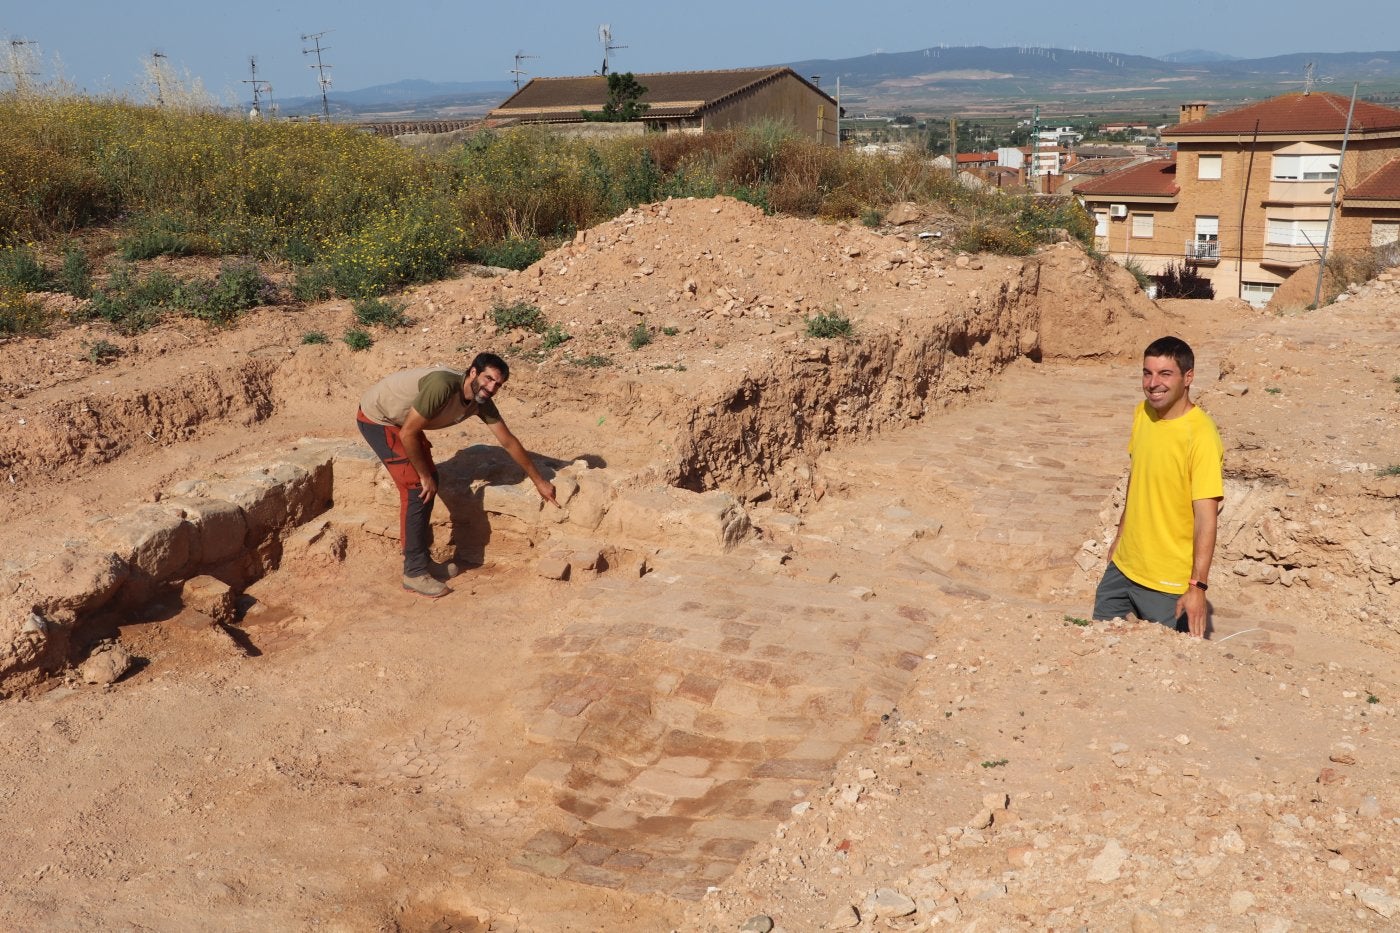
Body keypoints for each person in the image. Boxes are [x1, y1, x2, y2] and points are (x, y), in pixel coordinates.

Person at [357, 352, 559, 598]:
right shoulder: (442, 386)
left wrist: (539, 481)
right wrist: (424, 475)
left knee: (432, 481)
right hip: (379, 418)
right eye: (488, 379)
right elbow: (408, 434)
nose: (491, 387)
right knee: (416, 488)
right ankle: (414, 572)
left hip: (405, 422)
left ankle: (422, 560)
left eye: (498, 384)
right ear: (472, 372)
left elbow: (508, 441)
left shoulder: (481, 401)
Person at [1092, 336, 1224, 637]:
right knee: (1099, 648)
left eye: (1165, 374)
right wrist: (1119, 537)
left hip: (1168, 585)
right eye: (1147, 373)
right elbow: (1138, 479)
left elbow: (1207, 518)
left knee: (1166, 670)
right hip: (1123, 568)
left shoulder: (1201, 435)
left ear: (1187, 377)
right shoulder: (1143, 414)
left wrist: (1197, 587)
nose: (1153, 383)